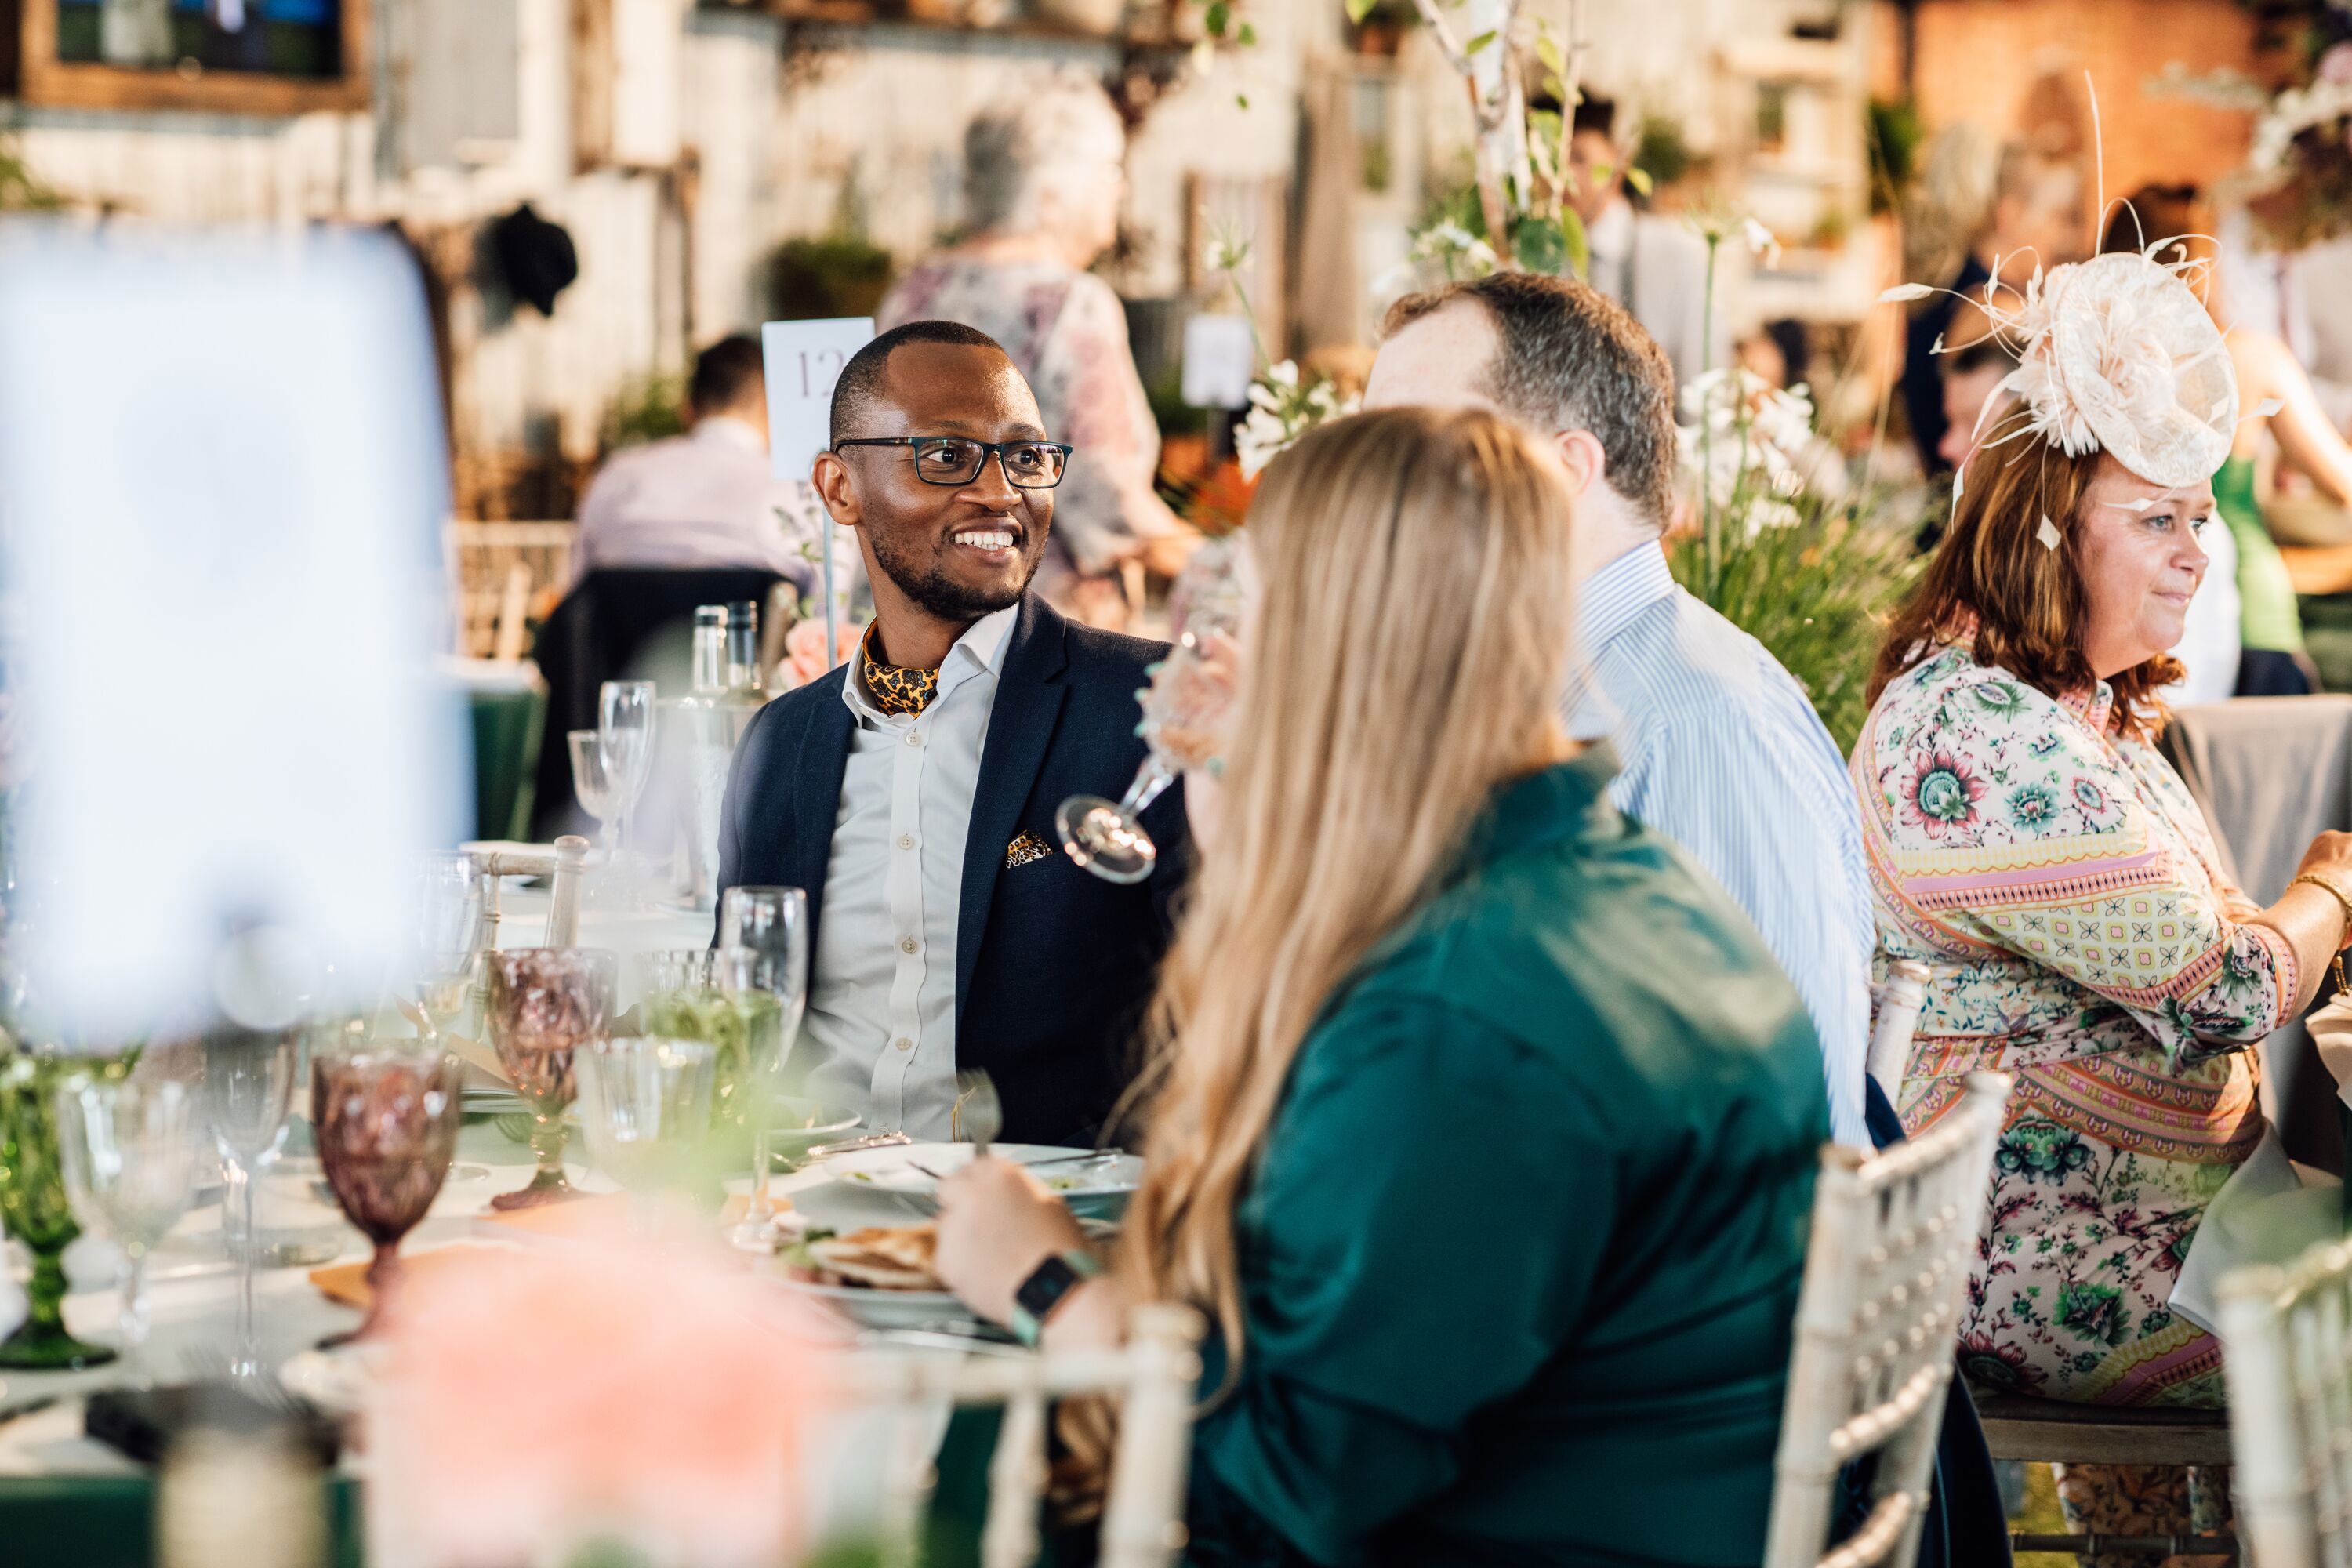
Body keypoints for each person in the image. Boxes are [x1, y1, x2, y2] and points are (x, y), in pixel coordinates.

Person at [932, 407, 1828, 1564]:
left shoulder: (1461, 1018)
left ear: (1331, 660)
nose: (1209, 663)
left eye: (1247, 618)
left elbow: (1267, 1496)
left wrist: (1043, 1282)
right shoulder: (1605, 879)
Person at [1856, 227, 2352, 1545]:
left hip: (2139, 1214)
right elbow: (2224, 983)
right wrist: (2338, 883)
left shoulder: (2070, 711)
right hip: (2040, 1259)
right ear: (2040, 527)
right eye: (2158, 520)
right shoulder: (1976, 731)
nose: (2199, 553)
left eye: (2201, 518)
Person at [1362, 270, 1875, 1148]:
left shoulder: (1696, 721)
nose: (1366, 492)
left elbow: (1782, 1131)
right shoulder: (1543, 692)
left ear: (1562, 470)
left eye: (1407, 445)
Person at [713, 321, 1188, 1146]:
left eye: (1026, 456)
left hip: (1049, 1218)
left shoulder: (1149, 707)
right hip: (809, 1217)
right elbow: (738, 1011)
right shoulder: (778, 743)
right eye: (947, 456)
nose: (1001, 491)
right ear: (839, 488)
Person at [877, 73, 1192, 633]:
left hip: (917, 629)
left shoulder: (912, 292)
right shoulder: (1071, 303)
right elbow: (1108, 496)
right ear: (1051, 195)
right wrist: (1230, 566)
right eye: (1111, 171)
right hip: (1033, 641)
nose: (1120, 189)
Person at [2103, 184, 2339, 696]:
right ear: (2197, 264)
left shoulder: (2100, 374)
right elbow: (2344, 481)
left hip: (2137, 624)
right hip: (2251, 614)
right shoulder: (2249, 360)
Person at [568, 335, 818, 593]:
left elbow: (578, 596)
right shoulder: (799, 494)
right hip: (754, 631)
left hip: (627, 633)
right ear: (769, 409)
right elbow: (829, 614)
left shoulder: (617, 476)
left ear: (687, 410)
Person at [1566, 95, 1722, 392]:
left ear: (1620, 161)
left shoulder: (1673, 254)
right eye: (1551, 159)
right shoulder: (1536, 253)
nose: (1564, 175)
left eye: (1578, 157)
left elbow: (1702, 379)